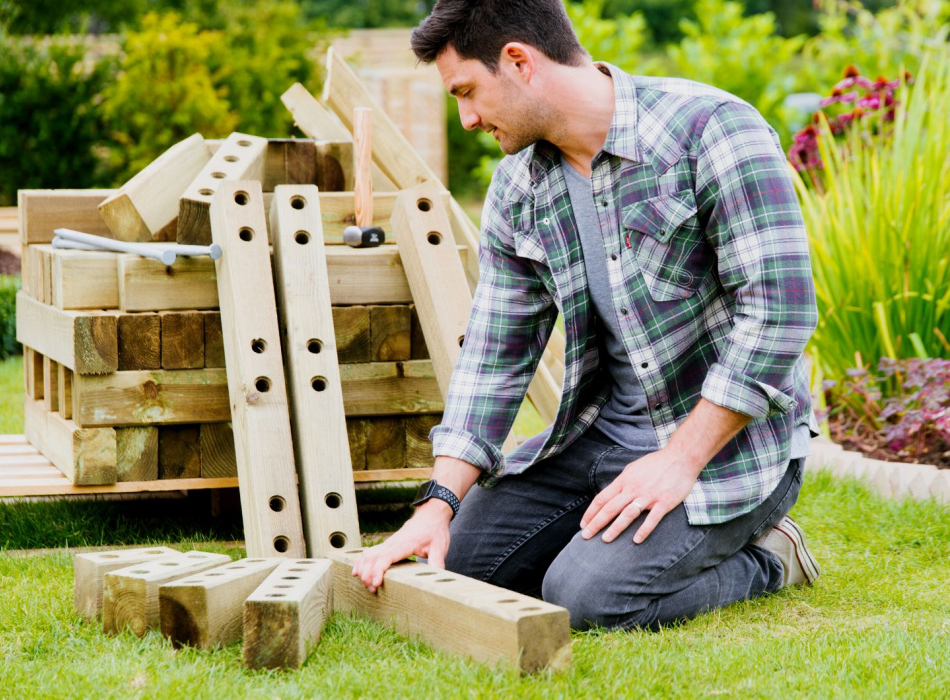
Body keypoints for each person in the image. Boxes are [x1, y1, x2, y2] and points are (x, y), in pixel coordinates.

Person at [352, 0, 821, 631]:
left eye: (467, 92)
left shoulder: (713, 130)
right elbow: (495, 354)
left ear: (518, 61)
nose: (465, 119)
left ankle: (770, 559)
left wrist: (677, 463)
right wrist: (437, 504)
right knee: (459, 568)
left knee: (584, 597)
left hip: (725, 450)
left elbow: (780, 315)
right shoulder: (519, 187)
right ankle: (607, 528)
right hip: (597, 438)